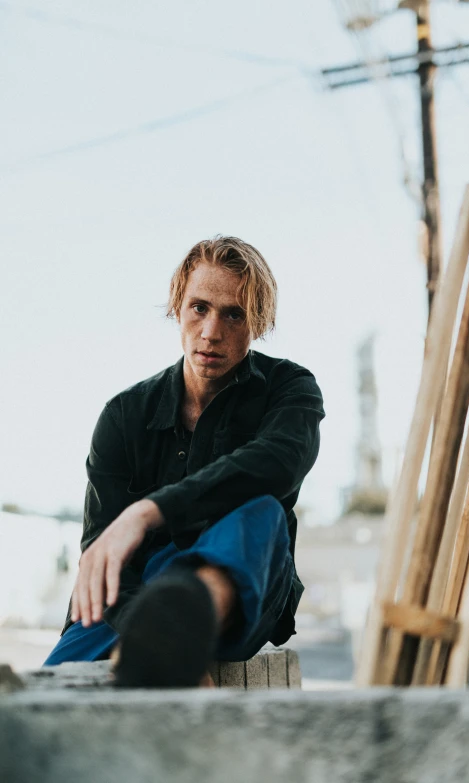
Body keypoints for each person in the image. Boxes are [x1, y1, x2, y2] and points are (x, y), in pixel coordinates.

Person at [44, 236, 325, 687]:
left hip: (242, 586)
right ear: (178, 307)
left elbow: (280, 461)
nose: (212, 332)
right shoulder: (124, 414)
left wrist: (149, 511)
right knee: (41, 703)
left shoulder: (289, 387)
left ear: (258, 322)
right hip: (132, 600)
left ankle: (187, 616)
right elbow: (103, 549)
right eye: (199, 308)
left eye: (233, 314)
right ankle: (168, 632)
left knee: (261, 512)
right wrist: (153, 637)